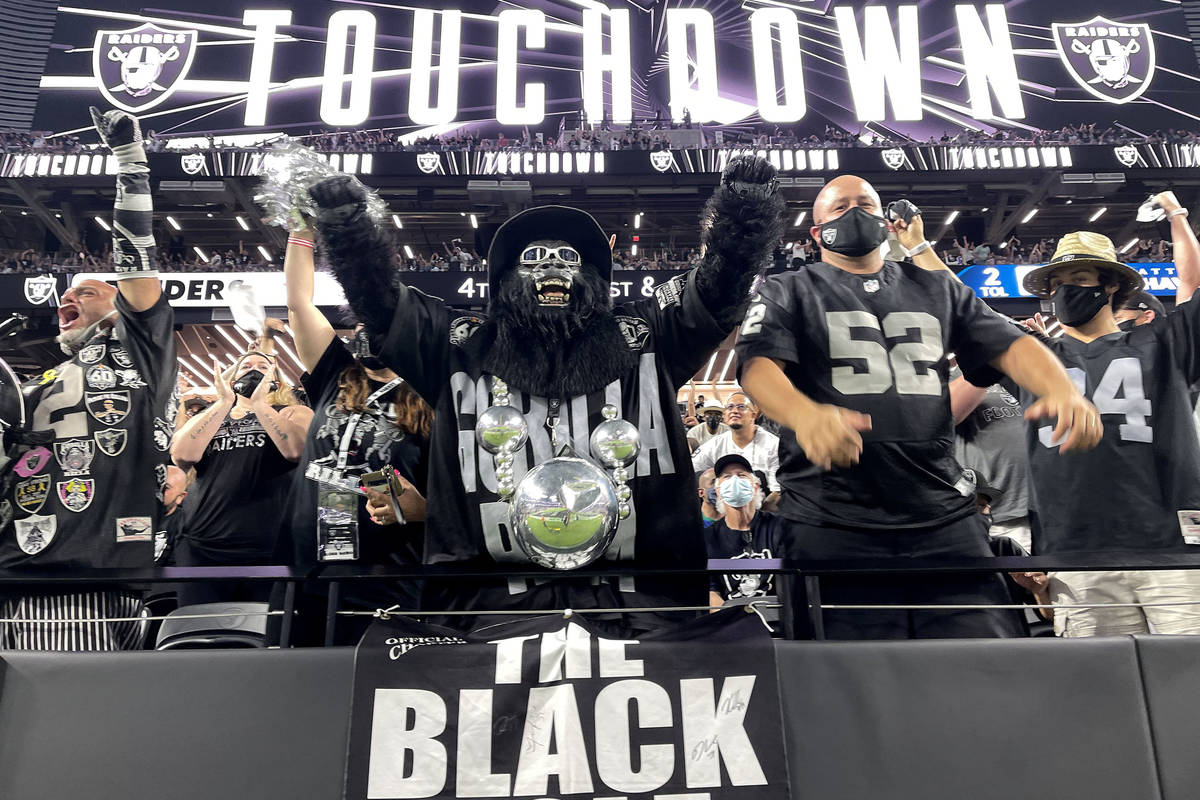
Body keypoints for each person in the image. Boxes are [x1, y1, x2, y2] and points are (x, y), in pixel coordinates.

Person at [308, 156, 783, 632]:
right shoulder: (459, 344)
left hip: (644, 604)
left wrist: (744, 213)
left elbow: (717, 291)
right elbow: (381, 302)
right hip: (488, 607)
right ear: (503, 285)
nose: (553, 264)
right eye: (532, 258)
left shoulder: (645, 335)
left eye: (569, 258)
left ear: (598, 283)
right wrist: (346, 226)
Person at [736, 174, 1101, 640]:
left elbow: (1010, 344)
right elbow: (757, 368)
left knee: (983, 663)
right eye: (840, 207)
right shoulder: (787, 289)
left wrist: (1061, 389)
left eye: (866, 204)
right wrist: (804, 414)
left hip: (941, 515)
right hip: (831, 520)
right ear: (815, 232)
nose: (855, 213)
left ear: (887, 220)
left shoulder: (936, 288)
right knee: (851, 680)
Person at [0, 108, 177, 651]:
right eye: (65, 296)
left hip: (92, 577)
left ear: (121, 307)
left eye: (86, 292)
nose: (66, 300)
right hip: (18, 572)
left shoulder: (140, 352)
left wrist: (130, 165)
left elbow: (136, 262)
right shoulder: (37, 380)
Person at [986, 197, 1200, 637]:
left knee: (1189, 684)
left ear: (1109, 287)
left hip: (1171, 549)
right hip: (1075, 551)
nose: (1066, 290)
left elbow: (1193, 288)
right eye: (1058, 282)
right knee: (1101, 691)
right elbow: (966, 315)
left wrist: (1177, 217)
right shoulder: (1034, 357)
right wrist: (916, 251)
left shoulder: (1162, 341)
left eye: (1079, 278)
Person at [277, 225, 431, 643]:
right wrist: (302, 232)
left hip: (388, 573)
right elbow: (298, 303)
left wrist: (423, 509)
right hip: (308, 567)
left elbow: (451, 500)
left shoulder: (433, 398)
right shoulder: (336, 373)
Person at [170, 349, 312, 606]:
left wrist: (259, 404)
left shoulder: (292, 412)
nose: (253, 369)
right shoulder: (212, 416)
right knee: (199, 630)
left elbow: (296, 450)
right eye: (245, 366)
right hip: (204, 545)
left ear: (276, 381)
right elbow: (182, 455)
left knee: (264, 634)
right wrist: (223, 402)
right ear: (232, 380)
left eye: (262, 365)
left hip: (269, 547)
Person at [703, 454, 785, 609]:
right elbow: (712, 591)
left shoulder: (779, 527)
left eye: (741, 475)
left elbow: (788, 582)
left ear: (755, 487)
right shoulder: (709, 537)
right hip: (732, 621)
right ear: (718, 491)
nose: (734, 480)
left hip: (776, 616)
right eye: (727, 477)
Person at [691, 391, 781, 508]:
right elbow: (691, 469)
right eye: (730, 407)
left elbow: (777, 492)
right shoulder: (715, 444)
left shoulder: (773, 444)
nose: (734, 411)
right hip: (723, 510)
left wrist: (754, 517)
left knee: (760, 476)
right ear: (725, 415)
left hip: (761, 509)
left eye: (741, 407)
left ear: (753, 414)